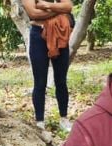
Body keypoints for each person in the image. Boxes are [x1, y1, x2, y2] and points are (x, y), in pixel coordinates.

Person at [21, 0, 74, 131]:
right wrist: (59, 9)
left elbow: (68, 6)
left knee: (61, 80)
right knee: (40, 82)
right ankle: (40, 122)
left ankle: (64, 119)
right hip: (38, 34)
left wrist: (47, 6)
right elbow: (33, 13)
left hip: (59, 32)